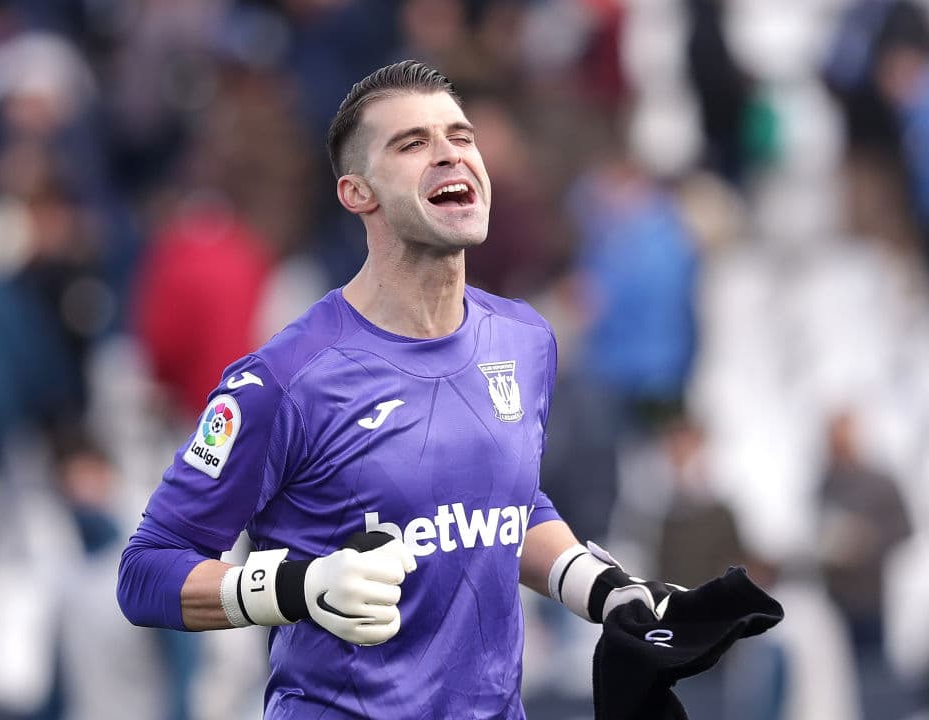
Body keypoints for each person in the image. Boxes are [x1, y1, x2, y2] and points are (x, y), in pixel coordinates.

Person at [117, 60, 679, 719]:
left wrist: (602, 588)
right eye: (413, 144)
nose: (450, 155)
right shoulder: (286, 379)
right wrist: (299, 586)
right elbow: (146, 573)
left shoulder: (525, 341)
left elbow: (505, 505)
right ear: (358, 193)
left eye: (461, 137)